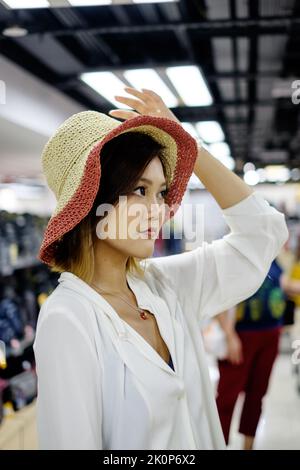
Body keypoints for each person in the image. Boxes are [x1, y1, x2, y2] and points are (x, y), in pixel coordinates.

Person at [33, 87, 288, 450]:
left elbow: (264, 233)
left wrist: (189, 144)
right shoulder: (69, 317)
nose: (160, 211)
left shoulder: (166, 285)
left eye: (161, 193)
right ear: (91, 200)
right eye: (139, 190)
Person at [216, 256, 297, 449]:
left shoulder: (272, 258)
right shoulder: (235, 255)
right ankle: (217, 444)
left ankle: (248, 446)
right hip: (241, 335)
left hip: (270, 334)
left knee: (257, 394)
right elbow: (218, 298)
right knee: (227, 396)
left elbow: (284, 284)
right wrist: (229, 335)